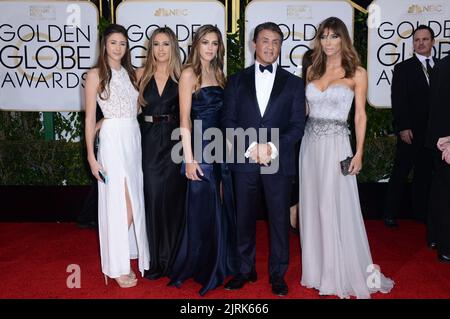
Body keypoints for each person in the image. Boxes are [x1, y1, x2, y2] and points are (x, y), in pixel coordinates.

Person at [298, 17, 394, 299]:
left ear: (343, 39)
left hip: (337, 145)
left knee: (332, 205)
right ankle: (317, 271)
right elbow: (304, 111)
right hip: (310, 146)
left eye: (333, 36)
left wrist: (360, 152)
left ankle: (338, 273)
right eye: (324, 37)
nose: (328, 42)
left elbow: (360, 115)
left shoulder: (357, 72)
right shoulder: (312, 70)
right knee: (313, 206)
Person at [223, 22, 305, 297]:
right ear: (254, 44)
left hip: (278, 161)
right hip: (244, 160)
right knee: (243, 218)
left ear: (281, 47)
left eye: (276, 42)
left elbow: (297, 126)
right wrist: (251, 148)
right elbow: (228, 121)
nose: (270, 47)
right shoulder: (236, 80)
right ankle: (244, 270)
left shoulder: (294, 83)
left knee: (279, 220)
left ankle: (277, 274)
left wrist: (270, 147)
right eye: (265, 41)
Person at [168, 24, 237, 296]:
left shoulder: (218, 73)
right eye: (205, 42)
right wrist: (189, 158)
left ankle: (218, 261)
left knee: (220, 205)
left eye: (215, 43)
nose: (210, 48)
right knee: (202, 208)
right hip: (199, 147)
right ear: (196, 45)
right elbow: (184, 118)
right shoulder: (189, 73)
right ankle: (202, 265)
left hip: (220, 148)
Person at [84, 24, 149, 288]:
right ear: (104, 45)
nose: (118, 48)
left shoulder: (133, 73)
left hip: (133, 137)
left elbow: (135, 110)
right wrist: (91, 156)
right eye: (113, 42)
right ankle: (116, 264)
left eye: (122, 43)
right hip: (111, 142)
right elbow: (89, 118)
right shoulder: (95, 75)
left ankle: (121, 253)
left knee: (134, 198)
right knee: (121, 201)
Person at [136, 27, 187, 280]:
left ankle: (174, 259)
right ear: (151, 48)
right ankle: (155, 259)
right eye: (156, 44)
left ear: (173, 47)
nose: (161, 49)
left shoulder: (183, 76)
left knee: (174, 200)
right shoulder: (139, 76)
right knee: (153, 197)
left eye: (166, 44)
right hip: (147, 141)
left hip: (175, 140)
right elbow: (125, 108)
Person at [384, 25, 438, 229]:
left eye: (425, 39)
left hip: (434, 132)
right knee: (400, 172)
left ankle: (420, 213)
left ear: (432, 42)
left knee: (425, 173)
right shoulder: (403, 68)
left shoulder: (441, 67)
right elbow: (398, 100)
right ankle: (389, 213)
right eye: (417, 40)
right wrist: (403, 127)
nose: (421, 43)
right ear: (413, 43)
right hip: (411, 131)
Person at [426, 54, 450, 263]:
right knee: (444, 194)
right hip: (445, 143)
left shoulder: (441, 65)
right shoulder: (445, 67)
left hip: (440, 140)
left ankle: (436, 238)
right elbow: (441, 107)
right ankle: (445, 246)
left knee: (440, 190)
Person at [289, 48, 314, 234]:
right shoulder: (298, 85)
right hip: (300, 136)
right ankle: (294, 211)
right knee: (298, 175)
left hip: (321, 137)